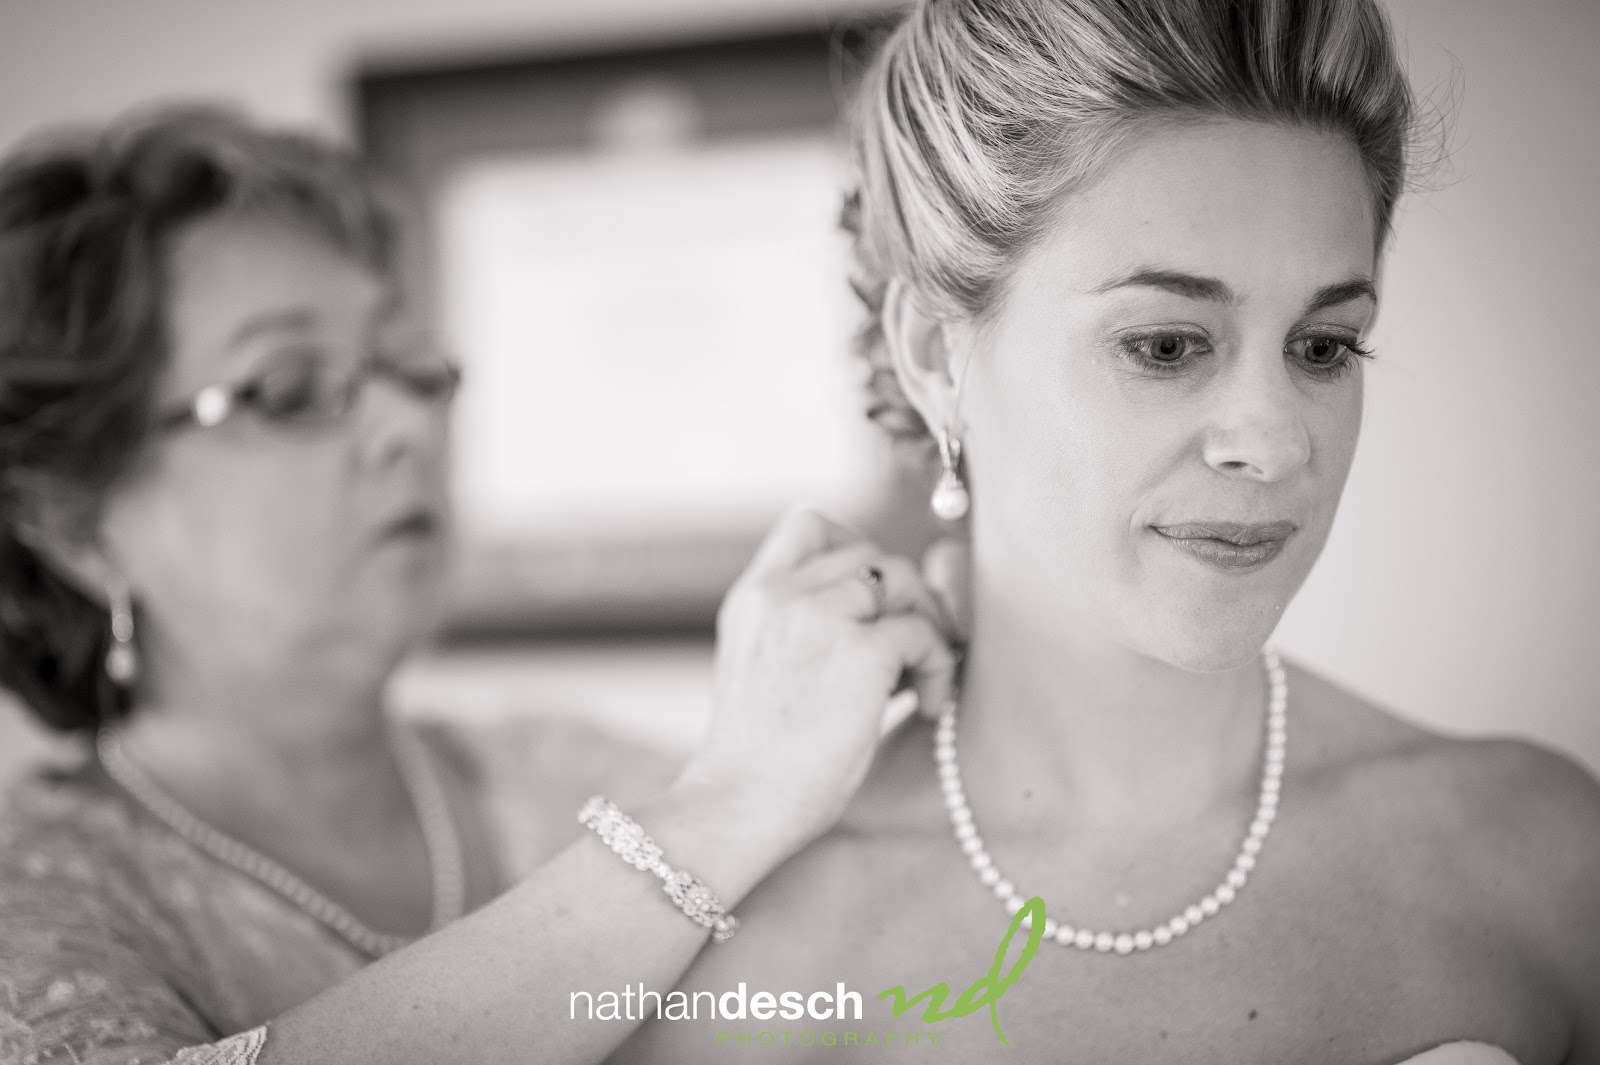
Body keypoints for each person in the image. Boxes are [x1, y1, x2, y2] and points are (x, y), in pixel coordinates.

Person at [602, 0, 1600, 1062]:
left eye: (1321, 347)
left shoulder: (1536, 855)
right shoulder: (737, 957)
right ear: (938, 357)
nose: (1273, 443)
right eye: (1166, 345)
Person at [0, 105, 966, 1065]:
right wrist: (725, 805)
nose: (409, 426)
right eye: (289, 387)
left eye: (405, 363)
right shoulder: (36, 895)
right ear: (78, 526)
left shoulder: (568, 773)